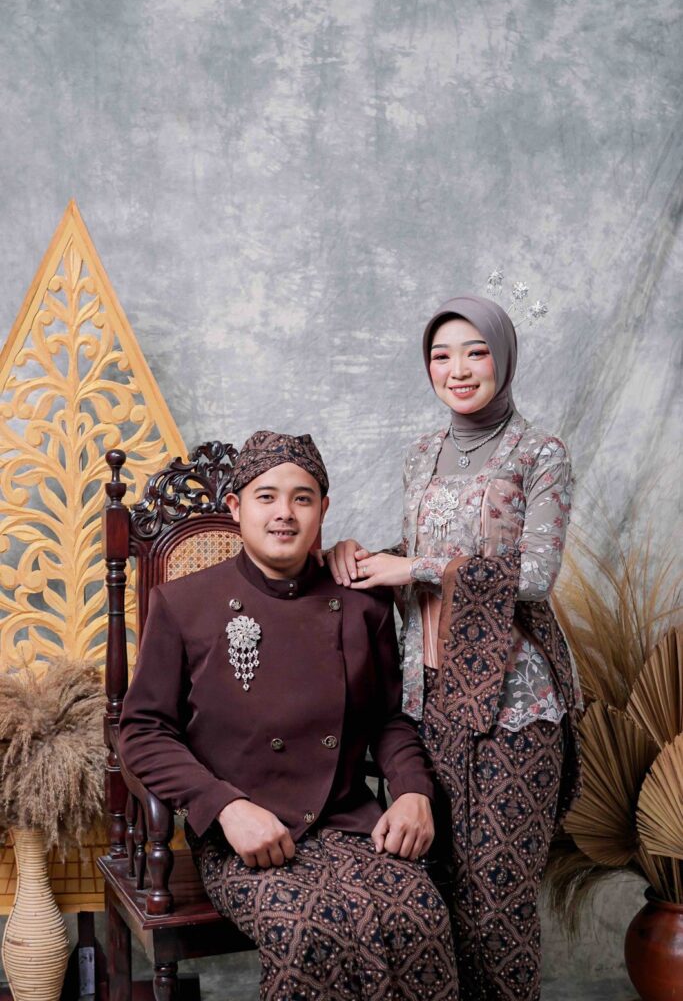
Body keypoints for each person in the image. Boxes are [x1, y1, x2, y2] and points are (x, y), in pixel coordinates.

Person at [119, 430, 458, 1001]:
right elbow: (144, 731)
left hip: (349, 821)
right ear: (236, 508)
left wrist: (412, 791)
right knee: (305, 932)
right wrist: (225, 807)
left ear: (323, 510)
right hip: (244, 834)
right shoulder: (182, 603)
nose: (284, 513)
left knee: (420, 916)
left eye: (302, 498)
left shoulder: (363, 601)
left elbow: (388, 720)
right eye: (266, 497)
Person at [325, 296, 582, 1001]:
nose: (458, 370)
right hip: (425, 700)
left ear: (504, 358)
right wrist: (362, 555)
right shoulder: (420, 455)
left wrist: (413, 566)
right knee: (432, 893)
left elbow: (535, 576)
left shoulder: (540, 453)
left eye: (475, 352)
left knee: (495, 905)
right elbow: (419, 557)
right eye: (441, 356)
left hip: (511, 704)